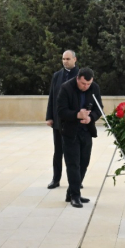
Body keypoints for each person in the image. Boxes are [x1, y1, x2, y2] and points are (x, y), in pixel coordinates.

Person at [56, 68, 102, 208]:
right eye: (83, 83)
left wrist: (90, 118)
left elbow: (99, 108)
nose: (85, 87)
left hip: (86, 131)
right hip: (70, 132)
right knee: (73, 164)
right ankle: (75, 196)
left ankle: (71, 192)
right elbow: (61, 111)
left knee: (84, 163)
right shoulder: (66, 88)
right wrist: (77, 115)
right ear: (78, 79)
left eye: (88, 84)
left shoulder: (94, 88)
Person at [45, 50, 79, 189]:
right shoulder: (57, 76)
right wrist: (49, 116)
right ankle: (56, 179)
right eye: (63, 59)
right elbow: (52, 97)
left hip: (74, 122)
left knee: (76, 153)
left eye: (68, 59)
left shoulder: (81, 76)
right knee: (58, 152)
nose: (65, 61)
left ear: (75, 59)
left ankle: (77, 180)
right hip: (59, 122)